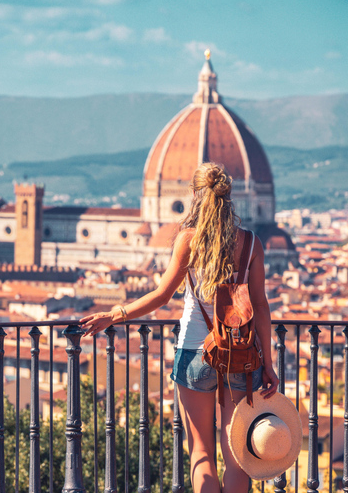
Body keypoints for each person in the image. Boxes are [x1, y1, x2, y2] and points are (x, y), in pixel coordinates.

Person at [80, 162, 279, 493]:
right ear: (229, 197)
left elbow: (161, 296)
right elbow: (260, 305)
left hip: (194, 353)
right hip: (241, 355)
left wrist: (114, 315)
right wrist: (268, 364)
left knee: (200, 451)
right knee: (237, 454)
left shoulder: (188, 240)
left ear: (195, 196)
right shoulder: (251, 243)